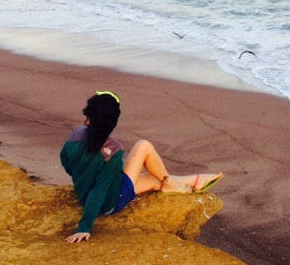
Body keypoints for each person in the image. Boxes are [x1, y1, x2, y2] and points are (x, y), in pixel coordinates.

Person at [60, 91, 223, 243]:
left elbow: (66, 162)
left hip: (85, 193)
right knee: (144, 146)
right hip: (110, 203)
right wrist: (85, 227)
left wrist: (83, 176)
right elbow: (99, 191)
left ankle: (193, 181)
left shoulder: (76, 135)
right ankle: (174, 183)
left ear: (88, 117)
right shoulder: (114, 150)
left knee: (153, 177)